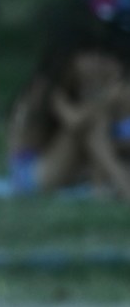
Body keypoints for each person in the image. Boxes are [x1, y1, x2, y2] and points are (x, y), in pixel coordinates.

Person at [7, 27, 130, 201]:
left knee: (97, 125)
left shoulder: (72, 89)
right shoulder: (45, 87)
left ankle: (105, 185)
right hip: (28, 176)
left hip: (52, 165)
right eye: (88, 56)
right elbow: (76, 122)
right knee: (89, 125)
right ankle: (119, 183)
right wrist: (106, 100)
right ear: (69, 58)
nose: (94, 63)